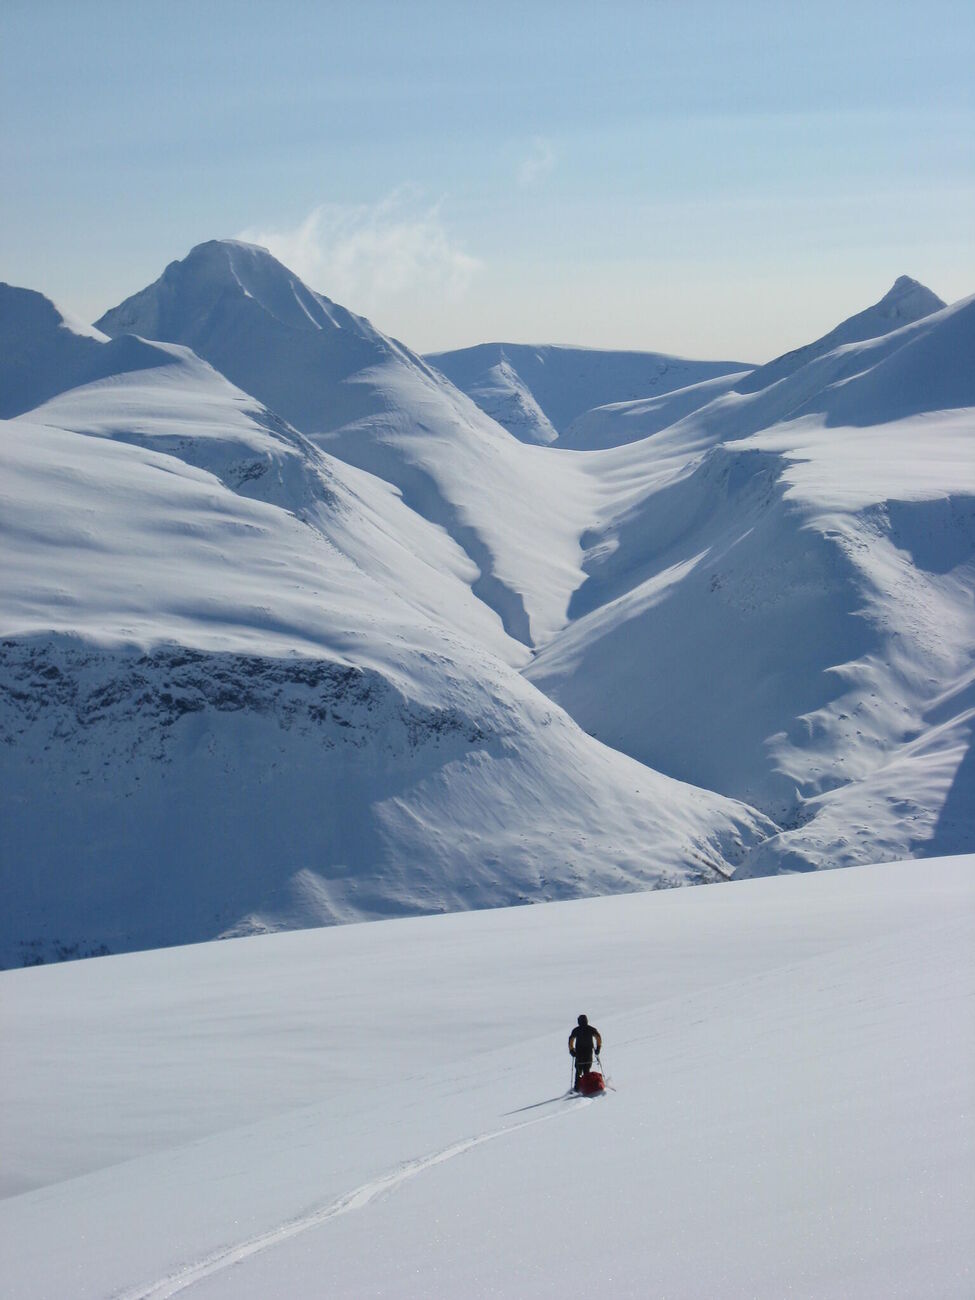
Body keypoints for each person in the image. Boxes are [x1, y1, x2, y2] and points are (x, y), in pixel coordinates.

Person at [568, 1014, 602, 1090]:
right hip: (588, 1052)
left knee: (578, 1070)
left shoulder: (576, 1030)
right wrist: (598, 1048)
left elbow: (571, 1040)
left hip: (579, 1053)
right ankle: (587, 1086)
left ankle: (577, 1087)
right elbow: (598, 1037)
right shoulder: (591, 1029)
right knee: (586, 1069)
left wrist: (572, 1050)